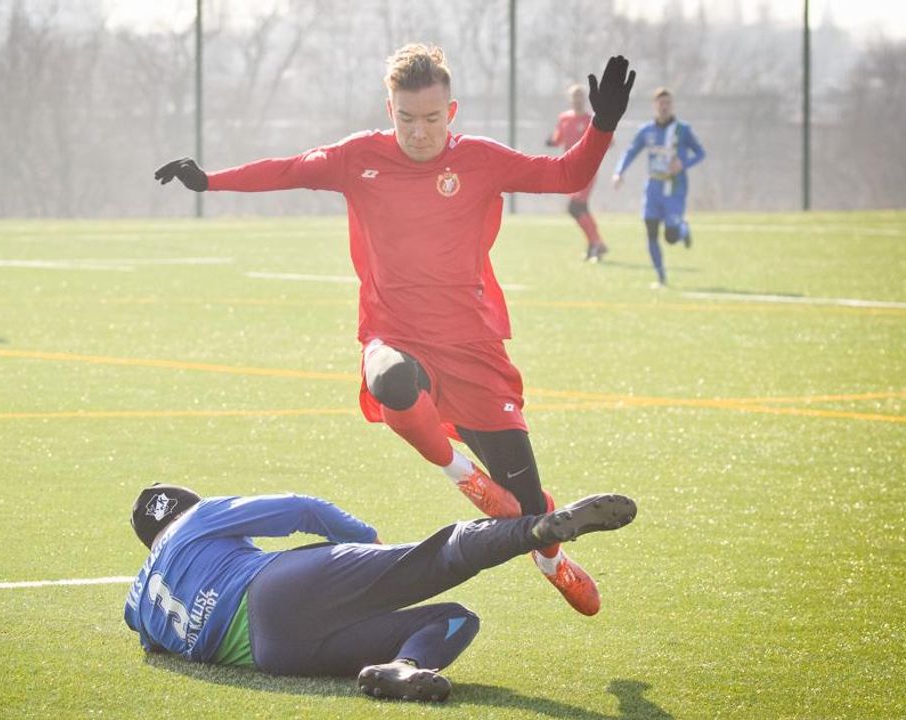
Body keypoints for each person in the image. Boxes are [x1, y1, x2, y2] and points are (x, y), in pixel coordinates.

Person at [155, 45, 636, 616]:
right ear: (390, 110)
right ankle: (462, 476)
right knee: (388, 380)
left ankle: (555, 564)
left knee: (529, 512)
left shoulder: (480, 159)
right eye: (406, 118)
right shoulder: (358, 157)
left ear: (451, 113)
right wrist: (209, 180)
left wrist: (602, 125)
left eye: (432, 118)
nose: (419, 131)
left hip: (473, 349)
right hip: (394, 335)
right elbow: (287, 169)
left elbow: (566, 174)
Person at [124, 483, 637, 702]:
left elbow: (154, 645)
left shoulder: (136, 599)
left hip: (273, 655)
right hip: (276, 589)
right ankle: (540, 529)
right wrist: (370, 545)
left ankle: (404, 669)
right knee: (433, 560)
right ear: (185, 509)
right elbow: (302, 508)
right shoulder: (196, 519)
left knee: (451, 618)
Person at [612, 87, 705, 287]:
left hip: (674, 189)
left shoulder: (683, 130)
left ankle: (682, 228)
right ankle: (661, 277)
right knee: (651, 231)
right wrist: (619, 172)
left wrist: (683, 163)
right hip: (653, 188)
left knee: (670, 237)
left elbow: (700, 153)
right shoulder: (646, 131)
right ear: (655, 106)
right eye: (661, 103)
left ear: (672, 105)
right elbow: (631, 152)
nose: (664, 107)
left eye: (668, 103)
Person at [546, 83, 606, 261]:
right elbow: (558, 139)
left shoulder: (591, 120)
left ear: (585, 98)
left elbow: (607, 141)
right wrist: (550, 141)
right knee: (582, 208)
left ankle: (596, 243)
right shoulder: (564, 118)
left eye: (580, 95)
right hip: (569, 168)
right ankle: (596, 244)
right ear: (570, 99)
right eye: (574, 96)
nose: (577, 99)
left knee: (575, 207)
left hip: (587, 169)